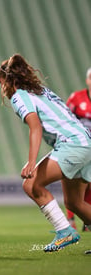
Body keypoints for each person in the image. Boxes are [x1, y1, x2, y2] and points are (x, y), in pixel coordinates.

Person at [0, 54, 91, 252]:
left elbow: (36, 127)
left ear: (8, 81)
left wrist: (31, 162)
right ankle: (66, 229)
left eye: (1, 83)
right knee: (74, 202)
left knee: (31, 184)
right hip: (85, 142)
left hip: (72, 144)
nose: (2, 89)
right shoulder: (41, 91)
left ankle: (64, 231)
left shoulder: (19, 96)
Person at [65, 68, 91, 231]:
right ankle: (70, 220)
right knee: (74, 182)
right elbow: (66, 118)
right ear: (87, 80)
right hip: (79, 147)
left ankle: (86, 222)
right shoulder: (76, 98)